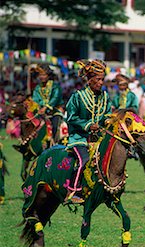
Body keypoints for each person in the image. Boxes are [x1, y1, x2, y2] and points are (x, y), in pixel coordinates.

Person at [64, 59, 111, 204]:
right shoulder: (78, 96)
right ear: (89, 80)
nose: (101, 82)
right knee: (84, 160)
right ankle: (73, 191)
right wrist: (88, 125)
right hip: (79, 137)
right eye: (98, 79)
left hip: (98, 138)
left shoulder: (105, 97)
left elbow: (107, 115)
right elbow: (71, 118)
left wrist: (108, 121)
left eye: (102, 79)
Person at [31, 64, 64, 142]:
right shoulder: (37, 88)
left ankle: (56, 143)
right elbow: (35, 99)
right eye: (40, 75)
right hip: (41, 113)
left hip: (55, 111)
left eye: (44, 75)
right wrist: (37, 107)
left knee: (55, 126)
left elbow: (55, 98)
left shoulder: (55, 86)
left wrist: (45, 107)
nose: (42, 77)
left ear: (48, 75)